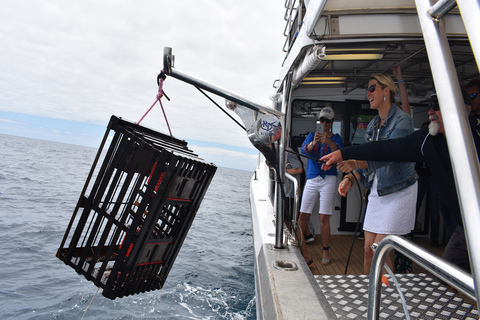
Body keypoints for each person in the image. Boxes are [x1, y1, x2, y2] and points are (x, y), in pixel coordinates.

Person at [321, 87, 476, 274]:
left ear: (458, 109)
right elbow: (385, 149)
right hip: (466, 227)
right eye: (429, 106)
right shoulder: (428, 139)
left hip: (402, 194)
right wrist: (343, 153)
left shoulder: (475, 136)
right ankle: (377, 298)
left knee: (380, 249)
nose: (430, 112)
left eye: (436, 106)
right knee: (448, 279)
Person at [335, 73, 418, 274]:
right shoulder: (373, 126)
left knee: (379, 249)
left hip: (399, 191)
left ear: (386, 90)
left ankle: (385, 300)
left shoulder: (403, 121)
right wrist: (350, 178)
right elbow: (368, 164)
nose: (368, 93)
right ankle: (371, 297)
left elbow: (388, 157)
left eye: (372, 88)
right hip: (378, 191)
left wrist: (355, 163)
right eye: (368, 89)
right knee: (368, 250)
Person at [296, 106, 343, 267]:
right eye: (321, 120)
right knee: (303, 215)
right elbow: (304, 151)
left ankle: (325, 250)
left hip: (328, 179)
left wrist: (328, 142)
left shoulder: (336, 139)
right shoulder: (311, 135)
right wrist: (314, 143)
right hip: (312, 178)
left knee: (324, 216)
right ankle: (297, 245)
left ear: (332, 122)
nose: (324, 123)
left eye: (327, 120)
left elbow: (340, 154)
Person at [414, 122, 441, 247]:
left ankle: (434, 239)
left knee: (434, 209)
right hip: (420, 176)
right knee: (415, 206)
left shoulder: (436, 144)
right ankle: (410, 235)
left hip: (433, 177)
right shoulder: (419, 144)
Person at [284, 146, 304, 228]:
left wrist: (284, 171)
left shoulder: (288, 151)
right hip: (285, 191)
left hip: (290, 193)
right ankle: (307, 236)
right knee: (286, 218)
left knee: (291, 220)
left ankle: (299, 238)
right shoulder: (278, 151)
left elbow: (299, 169)